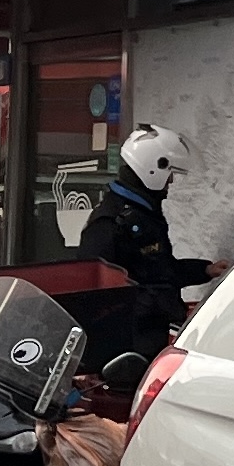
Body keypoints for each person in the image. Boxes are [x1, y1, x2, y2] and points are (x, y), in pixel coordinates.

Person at [79, 122, 219, 346]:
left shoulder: (143, 214)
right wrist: (167, 308)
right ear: (153, 168)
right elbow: (99, 296)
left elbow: (159, 271)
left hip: (148, 336)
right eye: (170, 173)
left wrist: (204, 270)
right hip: (128, 344)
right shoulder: (109, 224)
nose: (171, 181)